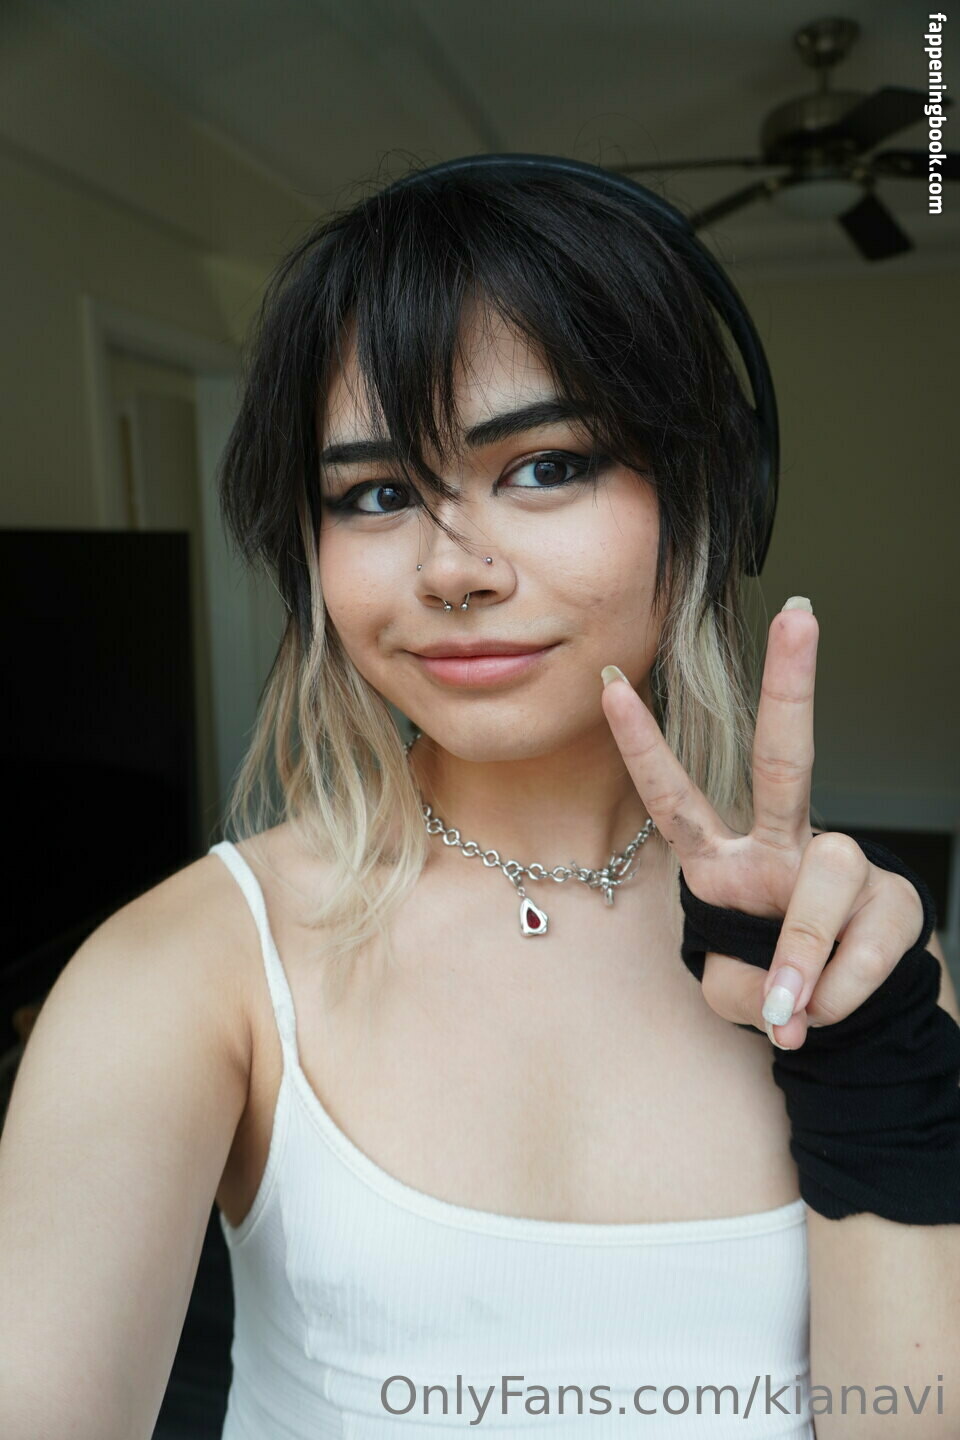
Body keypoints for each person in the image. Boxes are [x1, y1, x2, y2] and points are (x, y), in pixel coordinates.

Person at [1, 156, 957, 1440]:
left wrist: (861, 1054)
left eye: (546, 466)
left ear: (710, 499)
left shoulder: (849, 955)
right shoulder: (191, 967)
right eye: (377, 494)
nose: (453, 570)